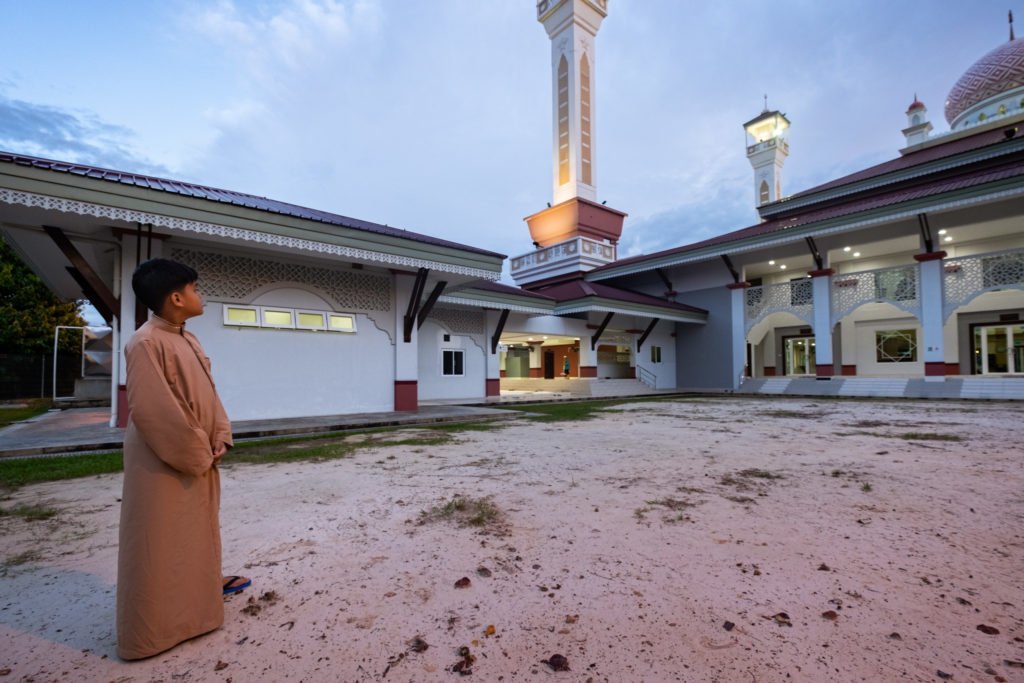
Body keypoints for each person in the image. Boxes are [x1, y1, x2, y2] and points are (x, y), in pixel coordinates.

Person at [116, 258, 249, 660]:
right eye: (195, 289)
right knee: (159, 542)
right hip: (166, 460)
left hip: (199, 454)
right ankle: (152, 633)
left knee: (195, 532)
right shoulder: (145, 342)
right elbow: (154, 411)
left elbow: (208, 392)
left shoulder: (186, 337)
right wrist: (196, 452)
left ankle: (200, 599)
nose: (200, 295)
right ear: (176, 297)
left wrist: (220, 434)